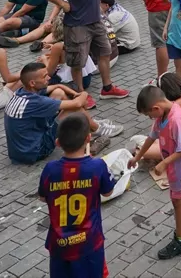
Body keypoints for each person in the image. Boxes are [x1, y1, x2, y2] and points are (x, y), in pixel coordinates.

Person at [39, 0, 129, 100]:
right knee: (77, 61)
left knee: (104, 52)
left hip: (96, 19)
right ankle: (80, 93)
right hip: (77, 24)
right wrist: (63, 4)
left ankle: (107, 88)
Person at [131, 85, 181, 260]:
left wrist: (164, 163)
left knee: (177, 200)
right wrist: (137, 157)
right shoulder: (162, 115)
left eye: (149, 115)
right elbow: (152, 137)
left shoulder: (176, 119)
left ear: (156, 108)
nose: (150, 118)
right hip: (178, 166)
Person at [38, 113, 117, 277]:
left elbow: (43, 197)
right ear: (88, 138)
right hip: (89, 243)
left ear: (58, 143)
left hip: (59, 244)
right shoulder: (97, 166)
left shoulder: (50, 169)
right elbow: (108, 191)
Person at [6, 62, 121, 165]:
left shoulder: (21, 92)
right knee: (72, 108)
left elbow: (58, 86)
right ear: (32, 83)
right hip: (36, 152)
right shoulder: (36, 102)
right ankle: (96, 129)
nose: (49, 77)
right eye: (44, 76)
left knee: (58, 92)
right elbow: (77, 104)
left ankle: (90, 123)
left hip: (19, 152)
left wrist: (74, 94)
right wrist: (83, 93)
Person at [132, 72, 181, 161]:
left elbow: (158, 130)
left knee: (143, 151)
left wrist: (164, 162)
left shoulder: (177, 106)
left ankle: (138, 150)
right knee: (143, 141)